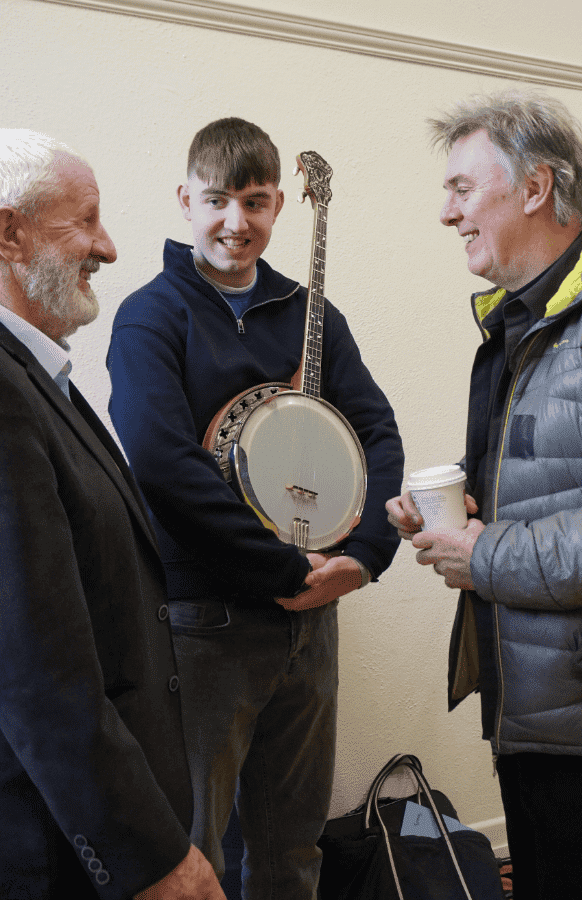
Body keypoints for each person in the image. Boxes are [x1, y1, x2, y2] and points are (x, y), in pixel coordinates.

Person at [107, 117, 404, 900]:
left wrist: (364, 557)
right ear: (185, 201)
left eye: (255, 201)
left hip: (312, 615)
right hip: (203, 623)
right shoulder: (151, 316)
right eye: (217, 200)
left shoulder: (312, 315)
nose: (235, 222)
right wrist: (282, 568)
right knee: (194, 848)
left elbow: (375, 432)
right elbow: (164, 464)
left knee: (292, 846)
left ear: (278, 204)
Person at [0, 129, 225, 900]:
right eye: (86, 221)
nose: (109, 247)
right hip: (54, 844)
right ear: (9, 234)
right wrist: (149, 858)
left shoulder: (38, 376)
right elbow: (38, 671)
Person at [386, 92, 582, 900]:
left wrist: (486, 553)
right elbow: (560, 471)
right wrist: (456, 504)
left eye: (462, 189)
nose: (447, 213)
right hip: (535, 713)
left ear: (537, 187)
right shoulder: (523, 319)